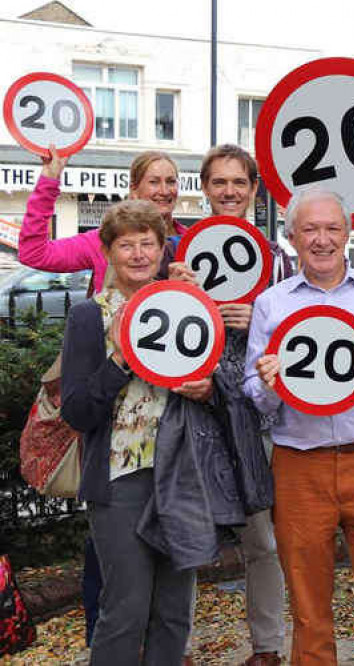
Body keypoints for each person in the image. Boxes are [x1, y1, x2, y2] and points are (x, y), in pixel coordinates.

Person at [243, 183, 354, 665]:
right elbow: (254, 396)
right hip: (299, 468)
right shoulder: (272, 304)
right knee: (308, 612)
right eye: (309, 229)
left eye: (331, 228)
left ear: (348, 233)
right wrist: (267, 383)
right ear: (292, 237)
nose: (321, 239)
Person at [59, 200, 216, 664]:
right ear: (108, 251)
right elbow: (76, 411)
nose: (139, 254)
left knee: (175, 612)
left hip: (182, 475)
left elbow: (219, 388)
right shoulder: (89, 316)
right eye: (126, 244)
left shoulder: (186, 307)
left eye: (148, 243)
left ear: (163, 249)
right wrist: (122, 360)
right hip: (119, 480)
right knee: (125, 609)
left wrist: (207, 390)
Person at [166, 144, 290, 666]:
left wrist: (259, 321)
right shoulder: (178, 256)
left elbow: (298, 335)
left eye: (239, 183)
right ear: (206, 188)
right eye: (219, 183)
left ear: (254, 190)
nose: (229, 192)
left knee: (263, 537)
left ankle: (268, 647)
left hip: (255, 412)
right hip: (194, 410)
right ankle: (180, 647)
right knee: (187, 531)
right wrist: (179, 292)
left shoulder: (278, 258)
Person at [18, 147, 187, 292]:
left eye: (171, 182)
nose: (165, 191)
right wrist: (49, 179)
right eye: (154, 182)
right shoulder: (103, 240)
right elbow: (34, 253)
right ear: (134, 189)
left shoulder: (192, 241)